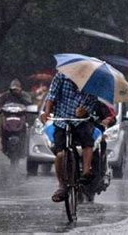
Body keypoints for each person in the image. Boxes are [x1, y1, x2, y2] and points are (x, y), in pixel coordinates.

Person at [40, 72, 98, 203]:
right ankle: (61, 185)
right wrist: (47, 112)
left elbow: (92, 101)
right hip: (62, 120)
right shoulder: (60, 77)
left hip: (81, 121)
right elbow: (52, 95)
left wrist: (84, 110)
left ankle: (86, 172)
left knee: (87, 141)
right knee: (60, 154)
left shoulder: (90, 82)